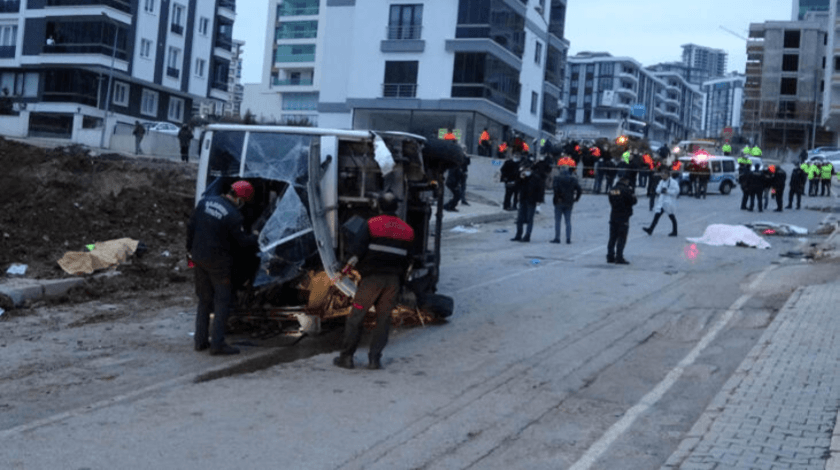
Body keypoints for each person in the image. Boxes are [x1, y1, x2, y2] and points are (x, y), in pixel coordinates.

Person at [334, 191, 414, 370]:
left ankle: (346, 358)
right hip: (392, 282)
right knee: (383, 320)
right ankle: (374, 360)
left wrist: (344, 270)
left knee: (356, 317)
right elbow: (409, 262)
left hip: (371, 281)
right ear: (396, 207)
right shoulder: (407, 231)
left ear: (379, 206)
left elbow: (356, 252)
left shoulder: (372, 225)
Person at [186, 180, 259, 355]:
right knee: (222, 301)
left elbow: (190, 227)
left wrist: (190, 250)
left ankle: (200, 341)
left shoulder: (204, 203)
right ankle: (217, 344)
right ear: (240, 200)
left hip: (198, 258)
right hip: (219, 264)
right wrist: (255, 237)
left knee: (204, 300)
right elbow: (242, 243)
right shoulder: (234, 215)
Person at [511, 160, 544, 243]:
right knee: (520, 219)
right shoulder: (523, 178)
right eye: (525, 169)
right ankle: (518, 235)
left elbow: (540, 190)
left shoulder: (536, 178)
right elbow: (517, 186)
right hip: (523, 199)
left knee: (529, 219)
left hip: (531, 200)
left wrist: (539, 200)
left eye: (528, 169)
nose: (527, 171)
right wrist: (520, 178)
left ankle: (527, 236)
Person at [607, 177, 637, 265]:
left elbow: (610, 200)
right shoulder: (627, 190)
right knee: (622, 237)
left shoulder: (612, 189)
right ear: (626, 181)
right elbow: (633, 201)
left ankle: (610, 256)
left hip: (614, 214)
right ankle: (619, 257)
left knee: (612, 237)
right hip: (624, 216)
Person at [643, 169, 679, 237]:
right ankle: (650, 229)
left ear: (667, 175)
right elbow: (657, 189)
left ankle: (675, 231)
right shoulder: (661, 182)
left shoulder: (673, 182)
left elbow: (677, 191)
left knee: (671, 216)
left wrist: (667, 191)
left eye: (664, 175)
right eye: (661, 175)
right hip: (662, 202)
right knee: (657, 216)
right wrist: (661, 191)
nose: (662, 176)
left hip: (669, 202)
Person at [551, 165, 582, 244]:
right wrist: (576, 198)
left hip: (559, 201)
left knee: (558, 221)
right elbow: (579, 189)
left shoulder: (557, 179)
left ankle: (557, 238)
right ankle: (568, 238)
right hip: (569, 202)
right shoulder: (573, 179)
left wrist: (558, 197)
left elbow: (555, 189)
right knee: (568, 221)